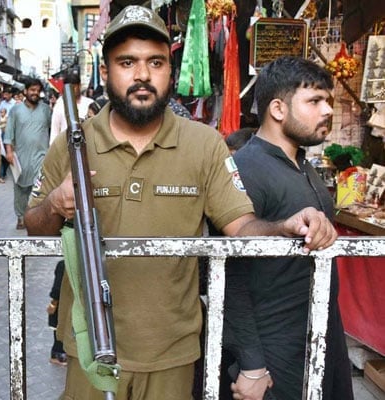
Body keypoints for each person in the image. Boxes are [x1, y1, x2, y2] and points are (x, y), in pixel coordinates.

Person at [23, 6, 337, 399]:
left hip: (173, 352)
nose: (141, 75)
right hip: (90, 348)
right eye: (126, 63)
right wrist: (54, 203)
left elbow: (241, 227)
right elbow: (34, 227)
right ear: (105, 73)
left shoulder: (204, 144)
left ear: (170, 73)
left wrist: (287, 225)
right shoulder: (72, 143)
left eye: (155, 62)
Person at [223, 56, 353, 400]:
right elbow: (228, 275)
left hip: (317, 338)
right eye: (314, 101)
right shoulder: (246, 169)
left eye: (329, 100)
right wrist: (252, 364)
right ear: (278, 109)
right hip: (274, 350)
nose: (327, 110)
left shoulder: (301, 163)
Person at [3, 77, 51, 230]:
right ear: (25, 91)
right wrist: (9, 152)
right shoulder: (15, 111)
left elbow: (53, 130)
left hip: (42, 156)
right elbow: (9, 133)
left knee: (40, 188)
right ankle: (21, 217)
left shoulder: (45, 110)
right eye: (32, 90)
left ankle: (38, 217)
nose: (35, 93)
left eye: (37, 91)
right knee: (21, 189)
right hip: (21, 157)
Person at [49, 71, 94, 145]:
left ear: (79, 85)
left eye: (74, 87)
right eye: (69, 87)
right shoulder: (59, 105)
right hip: (65, 149)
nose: (72, 90)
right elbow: (54, 131)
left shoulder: (89, 103)